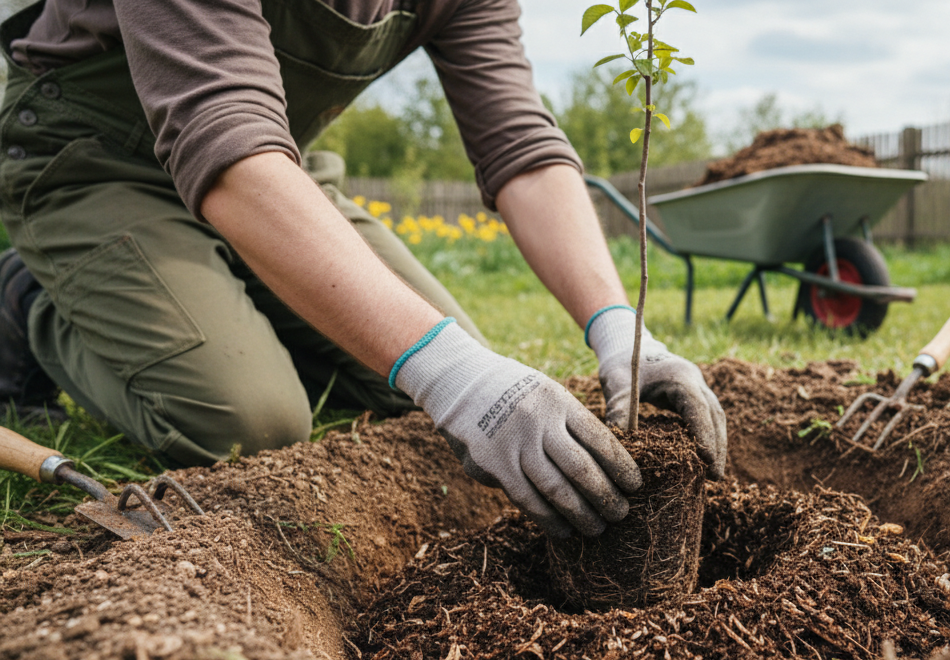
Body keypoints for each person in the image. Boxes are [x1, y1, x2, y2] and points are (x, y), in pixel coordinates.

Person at [0, 0, 727, 540]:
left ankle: (223, 307)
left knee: (440, 381)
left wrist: (619, 327)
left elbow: (519, 144)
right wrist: (455, 375)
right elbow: (219, 121)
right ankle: (30, 300)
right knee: (247, 418)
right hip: (96, 160)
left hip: (278, 172)